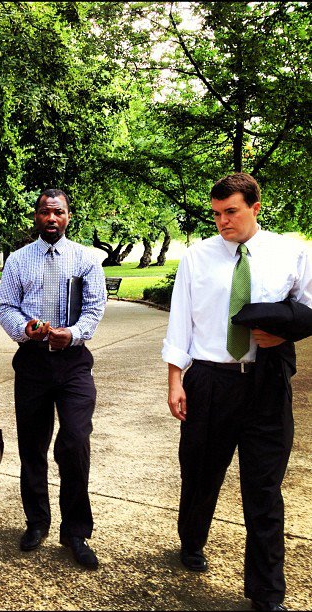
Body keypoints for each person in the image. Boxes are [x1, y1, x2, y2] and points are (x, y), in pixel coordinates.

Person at [162, 173, 312, 612]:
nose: (222, 221)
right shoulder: (196, 257)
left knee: (264, 489)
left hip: (266, 383)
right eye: (216, 213)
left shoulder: (291, 251)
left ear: (255, 208)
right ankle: (191, 540)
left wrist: (282, 334)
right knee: (200, 473)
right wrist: (175, 380)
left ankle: (267, 593)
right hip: (210, 381)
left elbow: (306, 307)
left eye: (231, 212)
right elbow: (180, 322)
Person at [0, 188, 106, 569]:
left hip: (73, 362)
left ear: (68, 216)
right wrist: (25, 328)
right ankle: (37, 521)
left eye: (58, 212)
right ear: (37, 217)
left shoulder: (86, 259)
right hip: (33, 363)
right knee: (32, 446)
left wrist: (72, 334)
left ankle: (76, 531)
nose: (52, 219)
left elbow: (95, 307)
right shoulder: (18, 260)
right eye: (45, 213)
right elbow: (4, 305)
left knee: (75, 442)